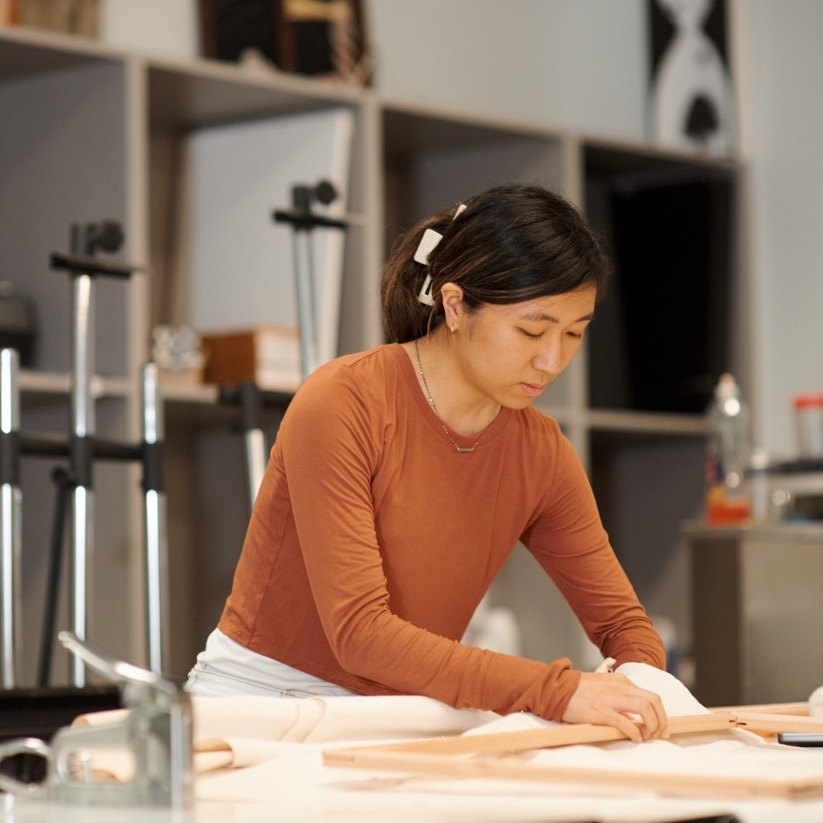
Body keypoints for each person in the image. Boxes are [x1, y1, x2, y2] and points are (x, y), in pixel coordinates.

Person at [186, 181, 668, 743]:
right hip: (262, 706)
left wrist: (636, 685)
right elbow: (361, 635)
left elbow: (622, 624)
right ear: (456, 305)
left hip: (399, 719)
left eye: (574, 334)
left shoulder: (541, 452)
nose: (551, 358)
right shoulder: (343, 402)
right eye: (531, 330)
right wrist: (560, 691)